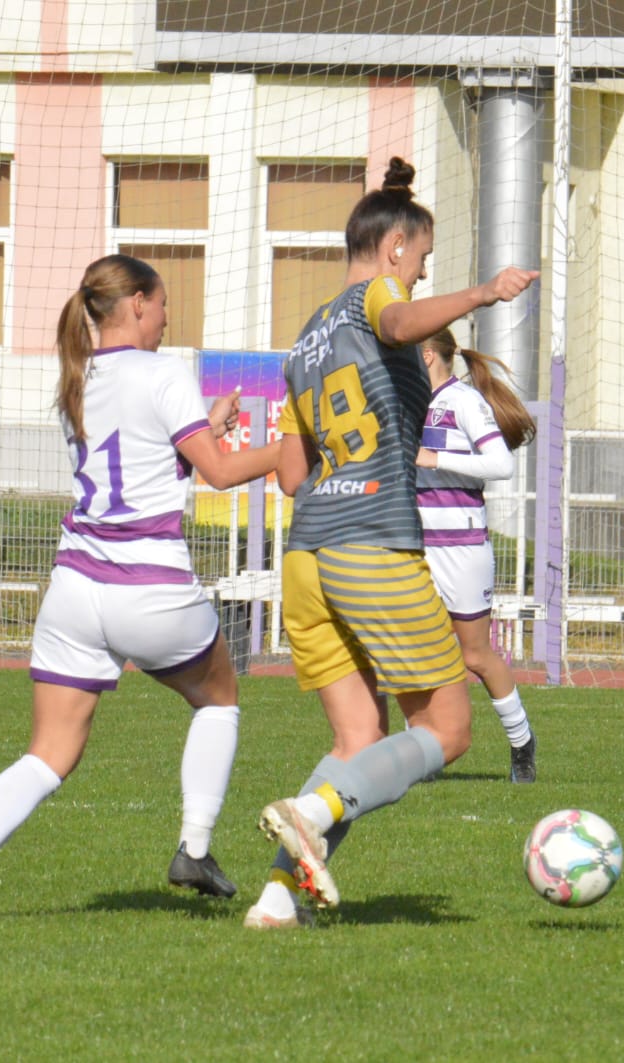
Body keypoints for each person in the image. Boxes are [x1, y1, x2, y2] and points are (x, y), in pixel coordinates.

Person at [0, 253, 280, 919]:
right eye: (164, 303)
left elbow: (138, 459)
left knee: (48, 754)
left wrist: (204, 424)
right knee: (219, 698)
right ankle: (194, 847)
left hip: (74, 588)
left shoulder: (76, 376)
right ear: (139, 303)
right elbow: (219, 472)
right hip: (149, 583)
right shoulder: (163, 371)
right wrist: (296, 449)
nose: (168, 317)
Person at [244, 158, 538, 929]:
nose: (421, 273)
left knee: (356, 737)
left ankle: (277, 898)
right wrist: (483, 292)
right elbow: (399, 321)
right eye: (422, 258)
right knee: (447, 729)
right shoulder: (378, 295)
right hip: (372, 543)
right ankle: (311, 810)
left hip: (306, 555)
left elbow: (291, 474)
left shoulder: (303, 343)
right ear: (395, 247)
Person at [415, 328, 539, 782]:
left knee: (475, 655)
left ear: (428, 355)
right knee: (417, 650)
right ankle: (422, 751)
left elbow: (501, 464)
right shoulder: (405, 399)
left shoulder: (463, 401)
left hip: (463, 548)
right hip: (415, 546)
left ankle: (522, 741)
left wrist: (435, 459)